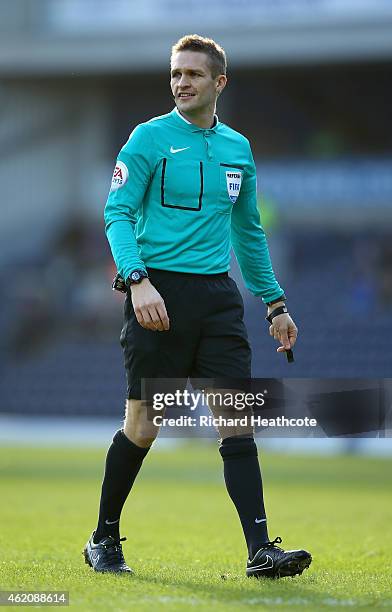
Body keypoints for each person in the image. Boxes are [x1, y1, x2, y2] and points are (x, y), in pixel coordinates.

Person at [83, 34, 312, 579]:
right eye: (175, 73)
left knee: (238, 423)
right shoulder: (147, 139)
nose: (181, 82)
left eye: (192, 74)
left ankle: (261, 551)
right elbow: (116, 213)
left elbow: (249, 233)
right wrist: (137, 281)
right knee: (144, 425)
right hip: (156, 294)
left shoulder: (238, 148)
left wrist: (275, 303)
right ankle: (103, 538)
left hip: (216, 299)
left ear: (219, 82)